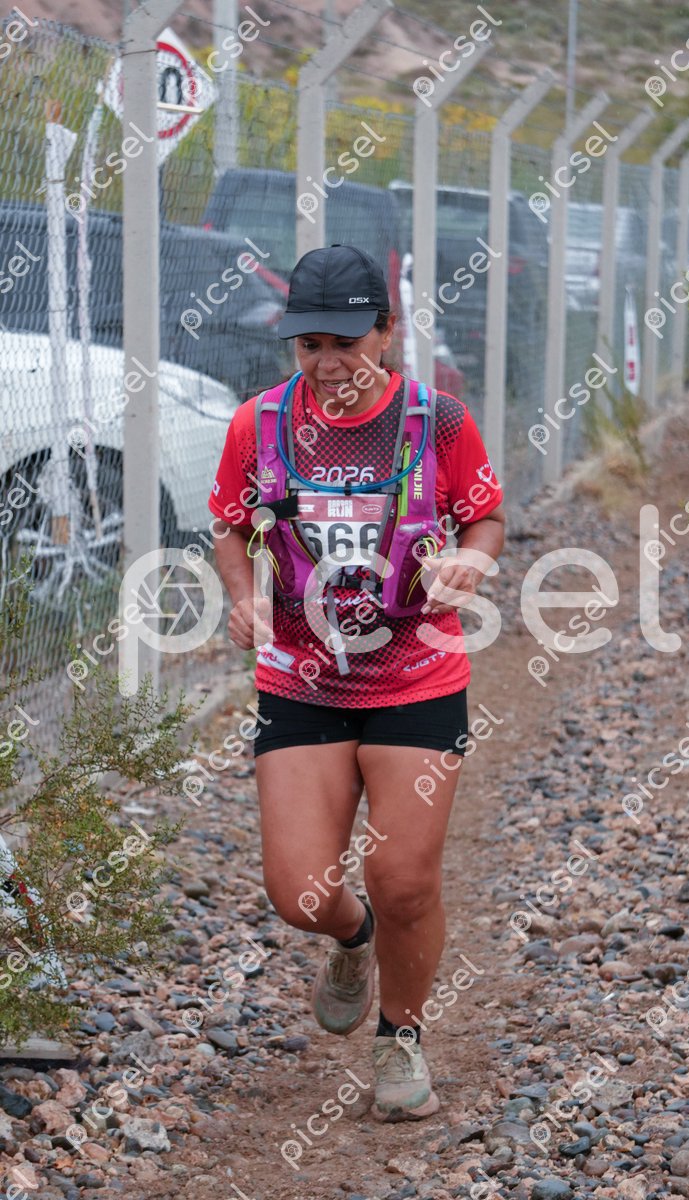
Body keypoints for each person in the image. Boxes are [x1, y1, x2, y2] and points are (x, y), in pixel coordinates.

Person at [208, 243, 504, 1122]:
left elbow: (485, 515)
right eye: (311, 345)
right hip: (302, 677)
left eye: (346, 342)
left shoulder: (437, 421)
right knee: (298, 892)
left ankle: (400, 1037)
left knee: (404, 877)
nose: (329, 362)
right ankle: (353, 937)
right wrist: (242, 595)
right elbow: (230, 525)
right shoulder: (258, 424)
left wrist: (471, 560)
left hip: (417, 674)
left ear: (386, 331)